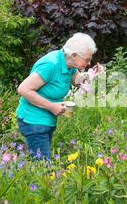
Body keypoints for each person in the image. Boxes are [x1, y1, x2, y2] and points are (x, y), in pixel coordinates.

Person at [16, 32, 98, 161]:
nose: (89, 63)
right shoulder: (50, 64)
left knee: (42, 162)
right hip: (33, 120)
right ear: (74, 55)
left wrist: (92, 74)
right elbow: (23, 89)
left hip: (47, 120)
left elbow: (77, 81)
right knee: (43, 167)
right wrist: (51, 106)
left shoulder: (69, 64)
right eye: (87, 59)